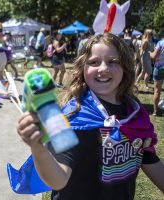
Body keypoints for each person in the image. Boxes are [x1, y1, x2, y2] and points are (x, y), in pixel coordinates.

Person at [17, 33, 164, 199]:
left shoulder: (135, 114)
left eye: (113, 62)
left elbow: (149, 160)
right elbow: (58, 180)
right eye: (94, 62)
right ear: (83, 68)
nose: (103, 68)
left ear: (125, 67)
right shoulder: (72, 116)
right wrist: (38, 148)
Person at [150, 32, 164, 116]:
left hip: (159, 68)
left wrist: (150, 53)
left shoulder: (160, 43)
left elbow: (154, 56)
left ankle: (155, 111)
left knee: (157, 91)